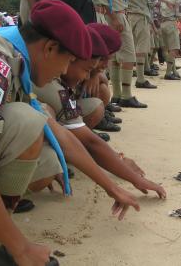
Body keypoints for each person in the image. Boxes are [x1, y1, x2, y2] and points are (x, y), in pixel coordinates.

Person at [0, 0, 91, 265]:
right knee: (27, 122)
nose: (63, 71)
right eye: (68, 60)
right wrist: (21, 248)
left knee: (37, 149)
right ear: (49, 47)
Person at [31, 23, 166, 213]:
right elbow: (90, 143)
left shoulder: (54, 68)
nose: (101, 67)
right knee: (46, 168)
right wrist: (125, 182)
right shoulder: (54, 85)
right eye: (88, 68)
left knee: (64, 125)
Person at [97, 0, 148, 108]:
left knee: (114, 56)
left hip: (115, 13)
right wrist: (113, 17)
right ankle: (125, 95)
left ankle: (118, 95)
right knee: (128, 55)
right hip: (116, 14)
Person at [125, 0, 171, 89]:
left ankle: (135, 76)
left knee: (134, 47)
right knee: (141, 49)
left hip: (129, 15)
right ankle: (140, 78)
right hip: (140, 16)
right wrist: (163, 0)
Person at [160, 0, 181, 80]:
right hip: (171, 24)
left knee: (168, 49)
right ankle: (168, 73)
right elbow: (180, 16)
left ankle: (173, 71)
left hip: (162, 24)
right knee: (174, 49)